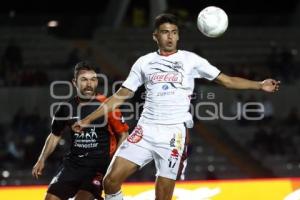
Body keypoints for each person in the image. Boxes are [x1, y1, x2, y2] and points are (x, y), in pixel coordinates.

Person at [72, 14, 280, 200]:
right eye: (164, 32)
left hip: (173, 134)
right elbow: (120, 96)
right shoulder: (144, 63)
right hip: (145, 129)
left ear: (178, 36)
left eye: (174, 32)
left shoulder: (191, 60)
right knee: (110, 182)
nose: (170, 37)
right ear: (155, 36)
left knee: (163, 197)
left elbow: (227, 81)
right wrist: (88, 119)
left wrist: (259, 85)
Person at [32, 61, 129, 200]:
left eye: (93, 79)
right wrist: (41, 160)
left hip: (98, 166)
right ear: (74, 82)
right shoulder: (65, 108)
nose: (89, 84)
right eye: (84, 80)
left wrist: (114, 164)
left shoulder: (107, 106)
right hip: (73, 165)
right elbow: (54, 135)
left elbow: (124, 134)